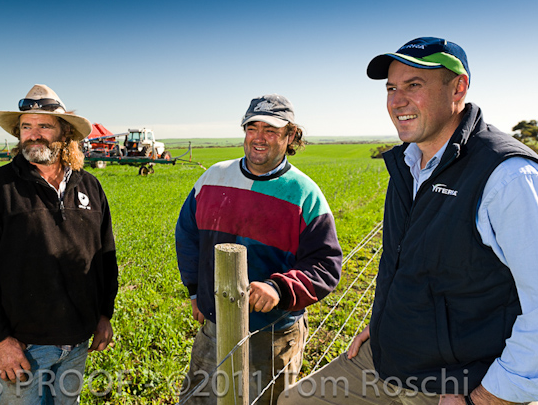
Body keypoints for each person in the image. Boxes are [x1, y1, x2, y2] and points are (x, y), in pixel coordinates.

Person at [279, 37, 538, 405]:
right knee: (295, 402)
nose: (396, 101)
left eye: (413, 85)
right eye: (391, 88)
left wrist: (484, 398)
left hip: (460, 380)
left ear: (458, 88)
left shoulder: (507, 177)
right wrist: (385, 326)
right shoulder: (407, 165)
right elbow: (409, 265)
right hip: (388, 357)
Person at [0, 84, 119, 404]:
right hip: (23, 348)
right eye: (26, 127)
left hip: (78, 343)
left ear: (65, 132)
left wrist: (103, 314)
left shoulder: (90, 186)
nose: (34, 135)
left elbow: (104, 258)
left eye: (44, 125)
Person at [175, 94, 343, 405]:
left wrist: (280, 288)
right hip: (215, 326)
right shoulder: (213, 177)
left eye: (271, 130)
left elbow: (326, 264)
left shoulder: (304, 193)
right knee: (198, 399)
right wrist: (196, 291)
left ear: (290, 136)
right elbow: (187, 235)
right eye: (252, 128)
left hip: (273, 335)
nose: (259, 138)